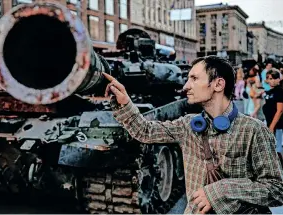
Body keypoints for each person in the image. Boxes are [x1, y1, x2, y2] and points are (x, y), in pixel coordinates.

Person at [104, 56, 283, 214]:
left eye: (194, 78)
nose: (185, 86)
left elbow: (276, 189)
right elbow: (144, 131)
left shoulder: (254, 130)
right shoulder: (188, 125)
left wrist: (221, 189)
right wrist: (125, 103)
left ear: (218, 84)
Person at [263, 69, 283, 154]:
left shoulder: (279, 92)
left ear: (279, 79)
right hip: (269, 122)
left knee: (277, 148)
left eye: (274, 78)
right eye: (270, 79)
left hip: (277, 125)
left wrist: (272, 126)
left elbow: (280, 110)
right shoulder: (269, 92)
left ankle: (278, 165)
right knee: (270, 147)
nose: (272, 81)